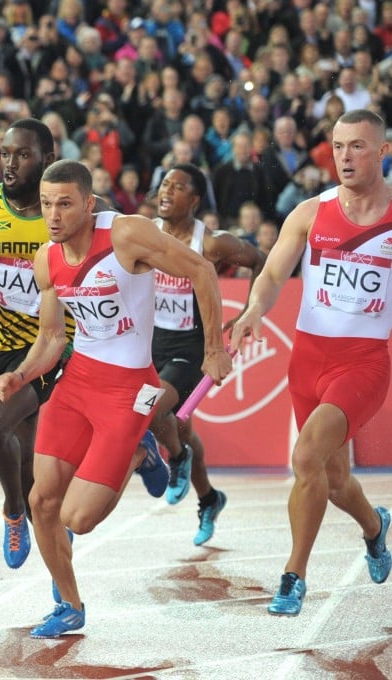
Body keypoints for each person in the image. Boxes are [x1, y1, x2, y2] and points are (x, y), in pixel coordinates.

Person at [0, 118, 158, 572]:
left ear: (47, 159)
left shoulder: (75, 214)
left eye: (22, 155)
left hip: (59, 347)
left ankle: (14, 513)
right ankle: (47, 524)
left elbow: (119, 262)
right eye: (5, 154)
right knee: (25, 463)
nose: (10, 163)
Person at [0, 159, 231, 638]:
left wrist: (214, 349)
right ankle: (70, 606)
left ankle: (141, 451)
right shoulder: (47, 259)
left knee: (78, 518)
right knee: (42, 501)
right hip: (78, 382)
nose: (53, 215)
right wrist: (20, 374)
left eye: (64, 204)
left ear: (88, 204)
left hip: (130, 389)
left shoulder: (126, 235)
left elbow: (202, 270)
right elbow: (52, 338)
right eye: (46, 204)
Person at [231, 109, 392, 617]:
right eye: (338, 146)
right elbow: (272, 275)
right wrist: (254, 309)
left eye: (358, 146)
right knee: (335, 479)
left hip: (363, 364)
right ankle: (375, 527)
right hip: (307, 361)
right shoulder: (309, 212)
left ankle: (293, 575)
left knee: (304, 459)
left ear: (383, 151)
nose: (345, 156)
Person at [150, 165, 265, 545]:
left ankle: (176, 458)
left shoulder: (212, 243)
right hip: (151, 344)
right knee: (181, 429)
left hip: (192, 349)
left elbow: (260, 261)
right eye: (165, 184)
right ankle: (209, 499)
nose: (167, 191)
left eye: (178, 187)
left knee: (153, 410)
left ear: (195, 200)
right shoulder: (145, 232)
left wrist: (249, 310)